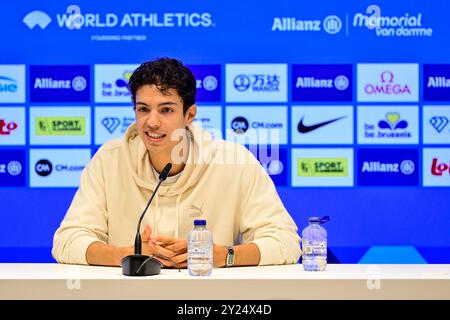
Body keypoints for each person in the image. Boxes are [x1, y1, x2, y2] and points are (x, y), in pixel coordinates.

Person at [52, 57, 301, 268]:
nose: (152, 122)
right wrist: (130, 256)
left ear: (189, 114)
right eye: (143, 109)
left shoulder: (233, 162)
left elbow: (286, 242)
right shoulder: (109, 160)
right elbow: (67, 241)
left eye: (166, 110)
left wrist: (223, 256)